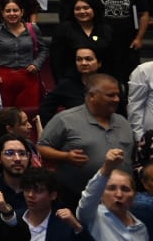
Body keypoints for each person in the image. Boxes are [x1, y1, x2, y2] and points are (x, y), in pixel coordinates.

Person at [38, 73, 136, 202]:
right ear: (92, 96)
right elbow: (41, 148)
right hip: (76, 197)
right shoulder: (65, 119)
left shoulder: (122, 121)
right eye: (110, 95)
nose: (117, 99)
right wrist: (65, 156)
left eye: (118, 95)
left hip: (119, 199)